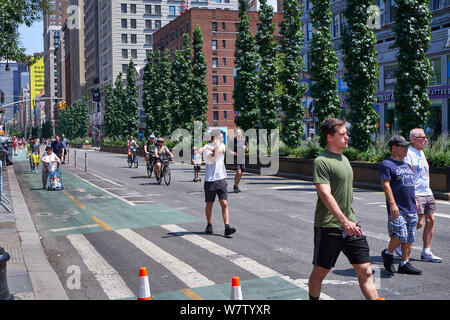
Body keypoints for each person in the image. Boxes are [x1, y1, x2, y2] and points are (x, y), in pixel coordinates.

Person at [308, 118, 381, 300]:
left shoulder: (345, 159)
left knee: (365, 270)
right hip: (329, 226)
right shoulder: (321, 161)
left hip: (351, 225)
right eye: (343, 134)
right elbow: (325, 194)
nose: (347, 137)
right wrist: (344, 221)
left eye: (346, 133)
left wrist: (349, 222)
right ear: (330, 137)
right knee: (321, 270)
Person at [379, 135, 422, 275]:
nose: (406, 149)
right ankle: (387, 253)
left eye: (407, 146)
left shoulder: (406, 164)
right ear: (394, 148)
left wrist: (414, 199)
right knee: (400, 235)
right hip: (398, 208)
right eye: (403, 147)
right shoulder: (387, 164)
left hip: (410, 206)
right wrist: (392, 204)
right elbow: (386, 185)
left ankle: (404, 263)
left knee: (409, 237)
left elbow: (410, 184)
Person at [399, 128, 442, 263]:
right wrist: (411, 196)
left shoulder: (421, 152)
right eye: (423, 137)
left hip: (427, 192)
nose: (426, 140)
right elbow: (407, 177)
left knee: (431, 221)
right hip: (416, 193)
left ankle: (426, 252)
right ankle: (398, 243)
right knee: (417, 223)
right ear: (414, 139)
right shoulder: (409, 154)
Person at [201, 129, 236, 237]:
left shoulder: (222, 146)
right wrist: (214, 149)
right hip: (210, 181)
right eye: (221, 137)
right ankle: (209, 224)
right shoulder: (207, 148)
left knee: (224, 203)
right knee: (209, 204)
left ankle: (227, 227)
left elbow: (226, 150)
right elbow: (211, 159)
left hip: (221, 179)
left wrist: (233, 152)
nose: (222, 139)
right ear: (214, 138)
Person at [228, 129, 248, 193]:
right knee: (238, 172)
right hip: (236, 158)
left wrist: (246, 148)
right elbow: (228, 150)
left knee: (240, 174)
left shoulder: (243, 140)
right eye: (237, 133)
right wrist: (232, 153)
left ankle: (236, 186)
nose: (238, 134)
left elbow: (247, 150)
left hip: (242, 158)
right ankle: (236, 186)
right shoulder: (232, 141)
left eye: (239, 133)